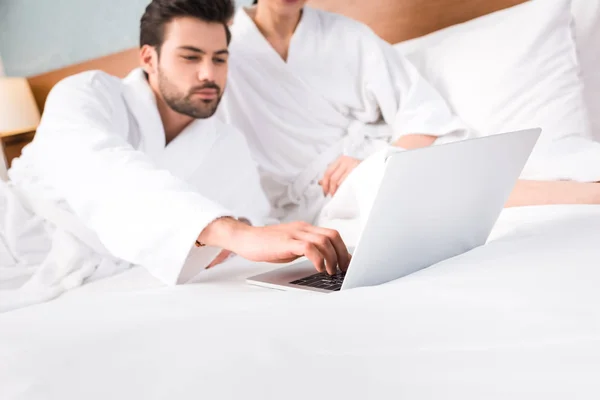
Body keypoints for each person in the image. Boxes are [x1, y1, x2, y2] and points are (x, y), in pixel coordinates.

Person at [0, 0, 349, 312]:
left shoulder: (226, 143)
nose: (208, 74)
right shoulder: (86, 94)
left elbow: (255, 222)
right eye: (190, 56)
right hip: (14, 240)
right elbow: (103, 171)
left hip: (100, 277)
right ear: (149, 58)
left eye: (219, 59)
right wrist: (227, 233)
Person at [217, 0, 600, 224]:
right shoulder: (220, 45)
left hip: (373, 162)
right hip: (310, 201)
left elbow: (423, 114)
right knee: (424, 185)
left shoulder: (347, 35)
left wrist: (381, 160)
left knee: (539, 156)